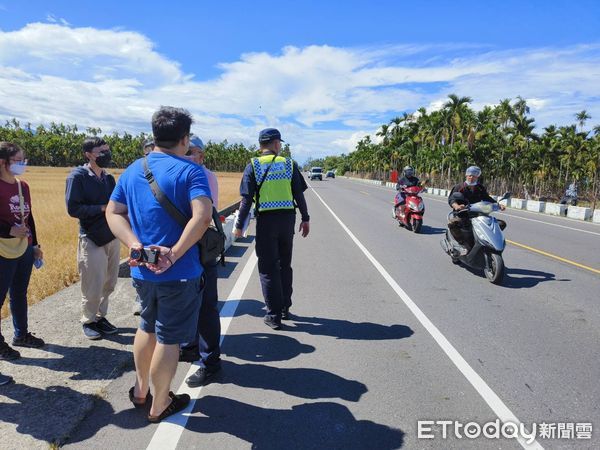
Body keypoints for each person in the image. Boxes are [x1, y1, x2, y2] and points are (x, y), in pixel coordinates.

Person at [106, 106, 213, 422]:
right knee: (168, 338)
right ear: (185, 138)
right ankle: (160, 403)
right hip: (178, 273)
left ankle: (141, 391)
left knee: (146, 325)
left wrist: (135, 244)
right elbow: (203, 216)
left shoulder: (132, 169)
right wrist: (175, 252)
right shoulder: (190, 171)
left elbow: (113, 212)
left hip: (142, 268)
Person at [233, 128, 310, 330]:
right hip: (287, 220)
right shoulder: (288, 164)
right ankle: (285, 307)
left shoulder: (253, 165)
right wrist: (306, 218)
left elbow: (246, 200)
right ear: (276, 144)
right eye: (280, 143)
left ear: (260, 145)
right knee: (285, 265)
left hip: (266, 222)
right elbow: (299, 194)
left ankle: (273, 315)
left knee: (268, 269)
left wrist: (240, 226)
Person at [66, 138, 120, 340]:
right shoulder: (78, 177)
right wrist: (102, 208)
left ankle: (100, 317)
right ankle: (88, 320)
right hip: (92, 237)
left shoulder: (109, 179)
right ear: (89, 154)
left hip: (111, 235)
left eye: (107, 149)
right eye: (101, 151)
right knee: (93, 284)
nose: (106, 153)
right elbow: (73, 208)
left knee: (110, 282)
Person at [180, 136, 222, 387]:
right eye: (185, 152)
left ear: (201, 156)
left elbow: (201, 215)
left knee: (205, 304)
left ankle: (210, 362)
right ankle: (191, 346)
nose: (187, 157)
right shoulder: (186, 173)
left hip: (199, 246)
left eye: (192, 153)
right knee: (188, 302)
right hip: (187, 246)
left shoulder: (202, 176)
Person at [0, 142, 45, 360]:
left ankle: (21, 334)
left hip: (24, 248)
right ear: (2, 162)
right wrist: (9, 230)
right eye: (18, 160)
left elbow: (29, 217)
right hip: (2, 250)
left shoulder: (22, 186)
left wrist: (35, 244)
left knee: (19, 293)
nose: (22, 164)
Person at [447, 166, 505, 249]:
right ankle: (460, 244)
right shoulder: (459, 187)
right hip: (462, 214)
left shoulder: (480, 188)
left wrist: (498, 205)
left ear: (477, 177)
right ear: (466, 176)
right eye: (470, 175)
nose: (471, 177)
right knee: (453, 224)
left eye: (474, 175)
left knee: (500, 224)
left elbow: (487, 198)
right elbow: (452, 199)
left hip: (478, 214)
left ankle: (488, 242)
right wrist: (457, 206)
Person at [133, 138, 156, 316]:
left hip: (158, 235)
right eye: (147, 151)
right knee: (142, 268)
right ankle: (140, 299)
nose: (149, 154)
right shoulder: (136, 172)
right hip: (141, 235)